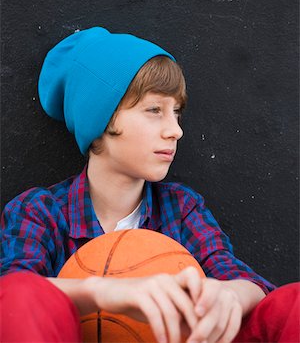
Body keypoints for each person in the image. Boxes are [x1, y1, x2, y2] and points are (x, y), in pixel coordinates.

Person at [1, 27, 299, 343]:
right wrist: (105, 290)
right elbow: (12, 291)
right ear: (101, 120)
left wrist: (229, 296)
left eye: (177, 113)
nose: (175, 131)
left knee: (291, 304)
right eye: (155, 110)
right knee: (20, 295)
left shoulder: (181, 207)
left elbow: (243, 280)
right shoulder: (40, 211)